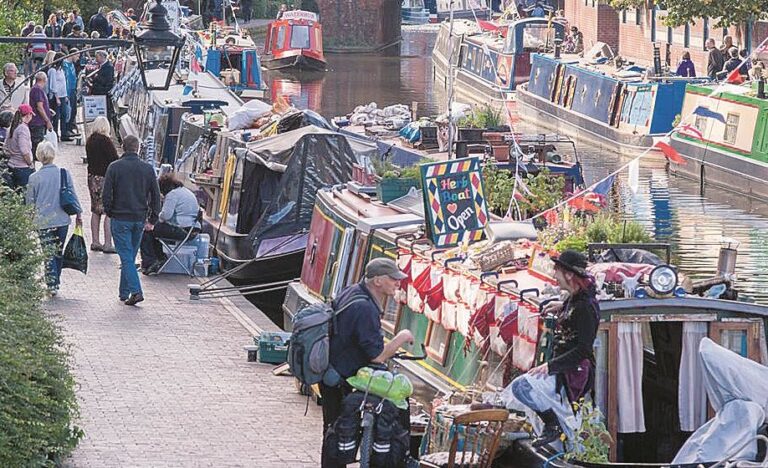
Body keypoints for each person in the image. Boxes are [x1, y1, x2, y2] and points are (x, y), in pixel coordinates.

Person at [320, 257, 415, 467]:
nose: (398, 283)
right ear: (378, 281)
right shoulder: (365, 309)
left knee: (332, 430)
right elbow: (377, 356)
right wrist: (402, 336)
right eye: (393, 279)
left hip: (332, 371)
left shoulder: (353, 291)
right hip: (341, 377)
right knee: (337, 433)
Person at [505, 250, 600, 447]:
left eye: (557, 270)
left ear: (569, 274)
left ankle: (552, 426)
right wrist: (562, 305)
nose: (554, 275)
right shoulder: (576, 298)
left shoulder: (584, 308)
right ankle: (555, 433)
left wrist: (550, 366)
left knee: (521, 387)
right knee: (536, 394)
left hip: (574, 369)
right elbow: (578, 303)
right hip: (565, 365)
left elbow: (583, 348)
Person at [102, 135, 161, 306]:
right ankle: (124, 292)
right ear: (138, 148)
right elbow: (156, 196)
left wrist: (109, 210)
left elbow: (107, 194)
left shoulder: (114, 167)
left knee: (126, 257)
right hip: (139, 219)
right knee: (130, 255)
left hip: (120, 218)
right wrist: (153, 219)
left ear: (123, 146)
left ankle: (136, 291)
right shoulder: (148, 169)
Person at [25, 141, 83, 295]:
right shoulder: (64, 173)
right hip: (62, 219)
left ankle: (52, 283)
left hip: (42, 221)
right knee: (58, 251)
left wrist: (28, 220)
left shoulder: (34, 178)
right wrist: (79, 213)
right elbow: (72, 194)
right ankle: (55, 280)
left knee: (47, 253)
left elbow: (30, 202)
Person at [140, 173, 201, 274]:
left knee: (148, 231)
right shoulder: (185, 191)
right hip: (193, 230)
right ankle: (159, 258)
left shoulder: (172, 195)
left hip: (182, 229)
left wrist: (156, 218)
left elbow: (166, 215)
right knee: (155, 231)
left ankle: (150, 262)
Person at [85, 116, 118, 253]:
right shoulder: (106, 141)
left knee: (95, 210)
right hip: (105, 179)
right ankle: (108, 243)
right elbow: (114, 159)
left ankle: (95, 241)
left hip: (92, 178)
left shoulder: (90, 140)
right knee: (108, 211)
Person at [4, 104, 35, 190]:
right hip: (22, 167)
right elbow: (24, 151)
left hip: (11, 165)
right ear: (28, 115)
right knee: (25, 194)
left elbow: (6, 147)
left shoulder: (12, 127)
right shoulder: (23, 129)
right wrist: (30, 164)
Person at [28, 71, 52, 158]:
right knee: (37, 148)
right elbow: (39, 107)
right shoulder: (37, 89)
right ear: (44, 80)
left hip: (38, 122)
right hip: (37, 123)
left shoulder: (36, 89)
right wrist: (47, 121)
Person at [47, 52, 71, 141]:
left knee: (64, 115)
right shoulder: (52, 70)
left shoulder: (61, 70)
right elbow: (53, 85)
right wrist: (56, 97)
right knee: (56, 117)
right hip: (56, 96)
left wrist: (66, 95)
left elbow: (63, 83)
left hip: (63, 95)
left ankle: (64, 133)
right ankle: (55, 134)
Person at [62, 51, 79, 138]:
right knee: (68, 111)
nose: (78, 58)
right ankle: (65, 130)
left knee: (73, 111)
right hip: (68, 91)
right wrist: (66, 94)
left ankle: (69, 128)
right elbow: (66, 80)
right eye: (77, 55)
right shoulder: (65, 65)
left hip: (73, 90)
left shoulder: (72, 65)